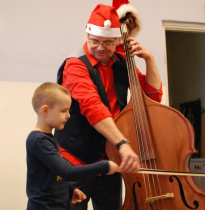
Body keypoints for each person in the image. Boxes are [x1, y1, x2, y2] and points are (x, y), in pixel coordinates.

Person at [54, 4, 163, 210]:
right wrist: (123, 144)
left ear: (117, 41)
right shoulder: (75, 66)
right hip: (75, 161)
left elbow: (153, 96)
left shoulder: (122, 62)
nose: (100, 47)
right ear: (87, 36)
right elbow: (93, 107)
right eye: (94, 41)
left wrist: (149, 59)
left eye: (107, 43)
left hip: (109, 162)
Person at [26, 82, 119, 210]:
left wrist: (71, 189)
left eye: (68, 110)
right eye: (63, 111)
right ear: (45, 110)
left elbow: (55, 174)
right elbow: (66, 171)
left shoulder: (50, 138)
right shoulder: (38, 141)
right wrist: (104, 166)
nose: (68, 115)